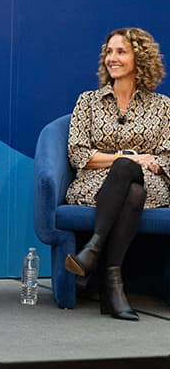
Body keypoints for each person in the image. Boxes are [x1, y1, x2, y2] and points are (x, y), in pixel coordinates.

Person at [64, 27, 170, 321]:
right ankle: (113, 283)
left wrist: (146, 163)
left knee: (133, 181)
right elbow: (78, 153)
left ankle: (92, 252)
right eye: (109, 52)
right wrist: (129, 158)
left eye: (121, 51)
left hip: (151, 185)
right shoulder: (87, 101)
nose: (112, 58)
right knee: (128, 179)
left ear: (141, 58)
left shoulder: (163, 107)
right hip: (97, 183)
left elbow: (166, 156)